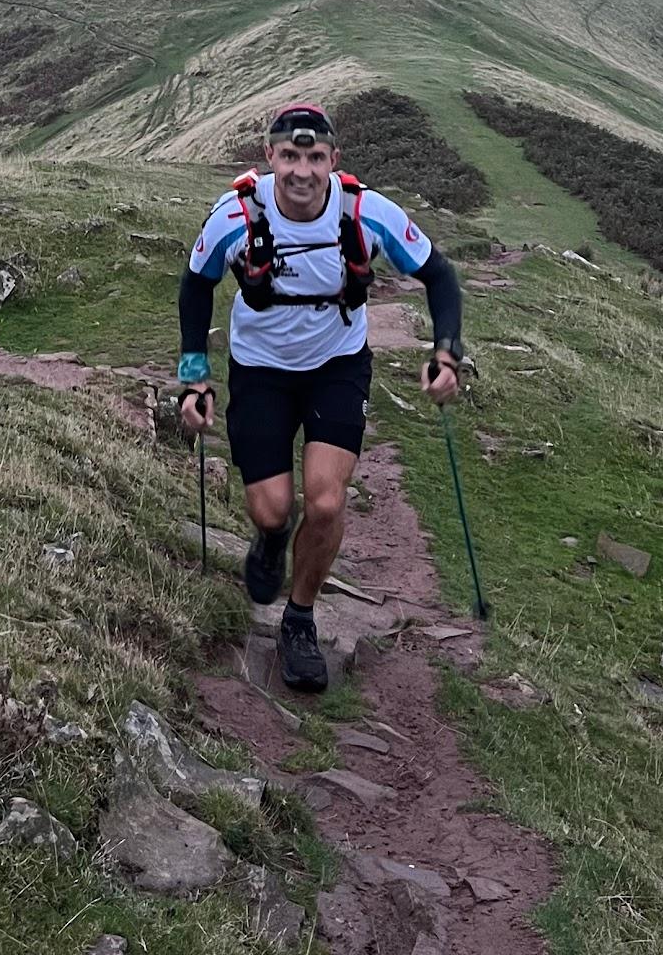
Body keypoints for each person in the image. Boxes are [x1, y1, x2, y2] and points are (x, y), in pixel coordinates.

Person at [176, 101, 464, 690]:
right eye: (289, 156)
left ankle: (300, 619)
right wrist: (195, 377)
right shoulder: (234, 216)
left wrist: (446, 354)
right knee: (272, 509)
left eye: (313, 158)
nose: (301, 171)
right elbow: (195, 286)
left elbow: (440, 275)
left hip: (338, 366)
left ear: (333, 160)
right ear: (269, 158)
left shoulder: (366, 212)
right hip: (259, 368)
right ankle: (273, 538)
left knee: (327, 503)